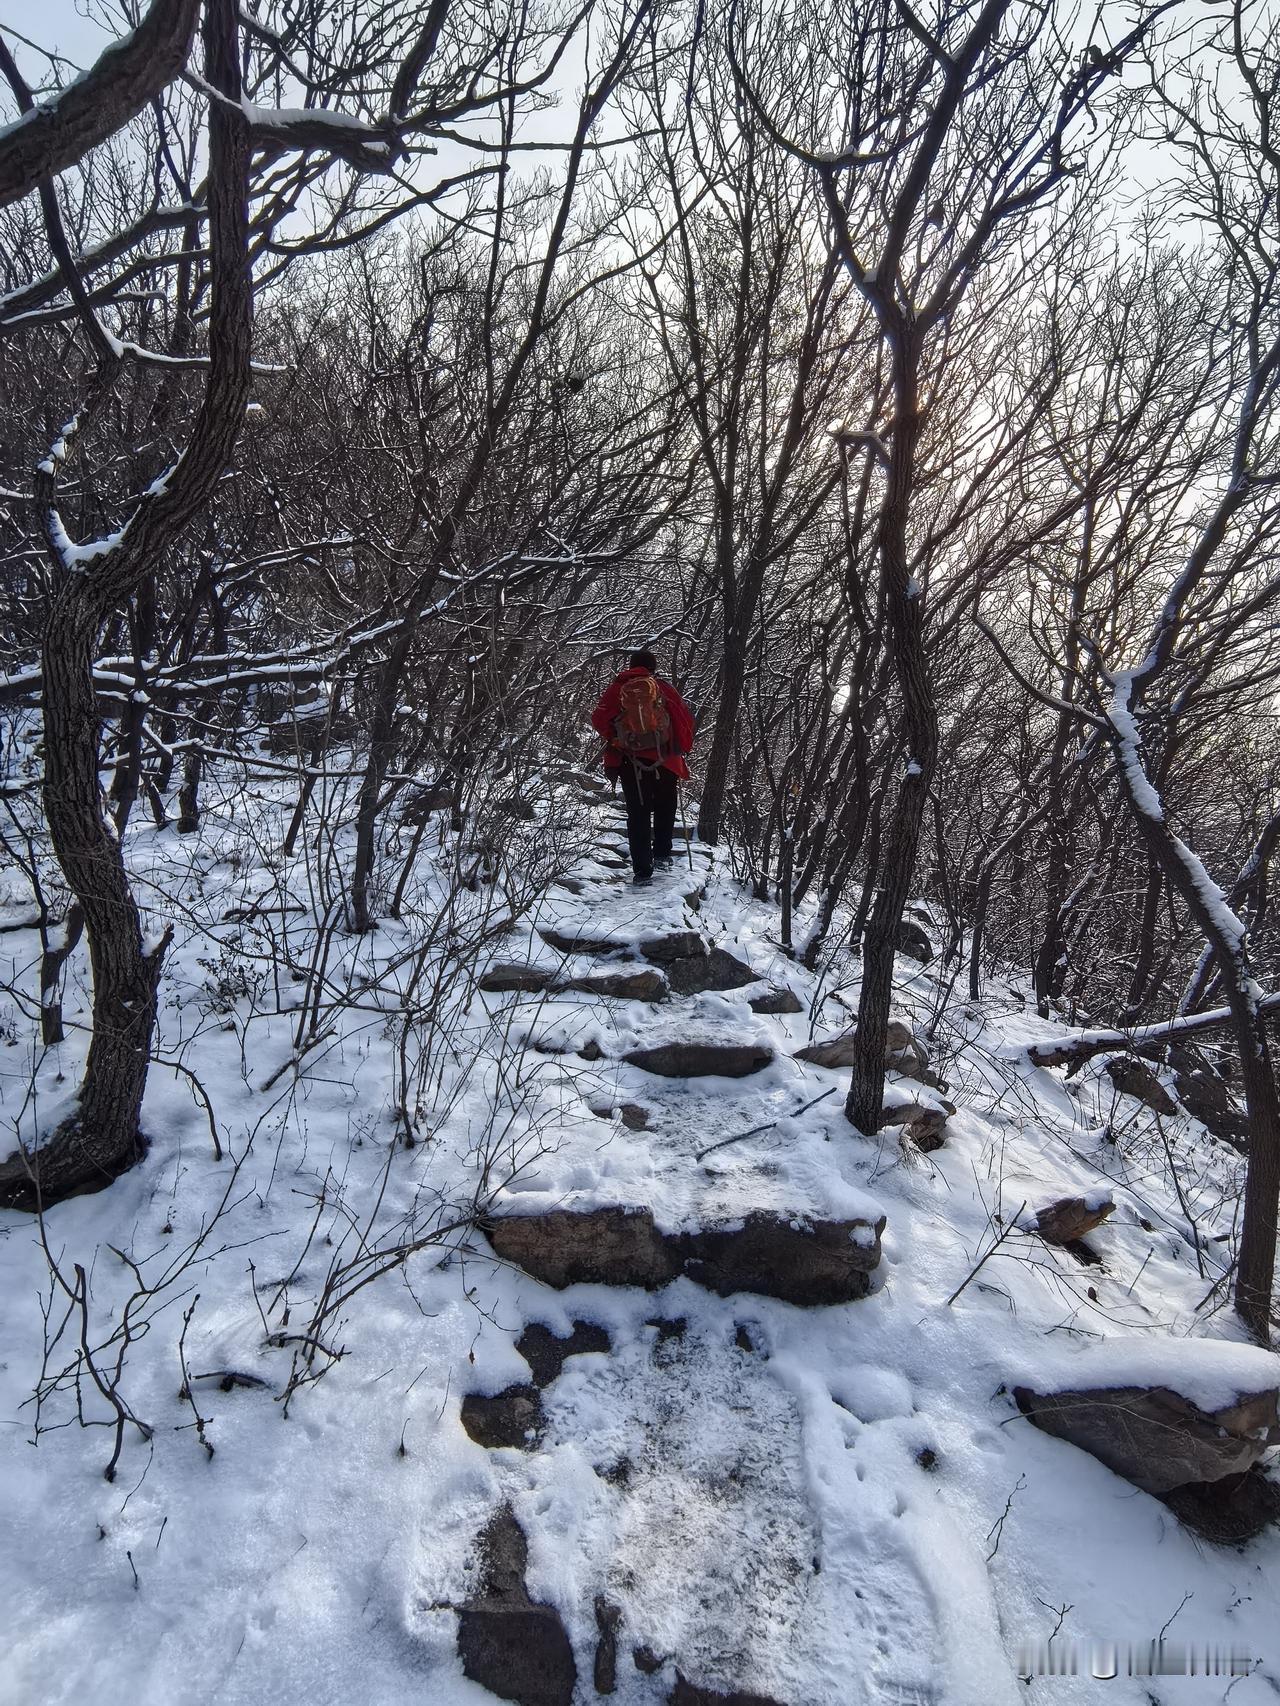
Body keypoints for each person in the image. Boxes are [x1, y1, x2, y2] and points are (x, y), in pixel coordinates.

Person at [591, 649, 695, 885]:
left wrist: (616, 738)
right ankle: (661, 855)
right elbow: (684, 720)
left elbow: (598, 719)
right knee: (665, 807)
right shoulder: (663, 688)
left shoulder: (618, 689)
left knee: (637, 813)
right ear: (653, 668)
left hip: (630, 760)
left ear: (632, 666)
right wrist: (680, 748)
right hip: (665, 759)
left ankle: (642, 869)